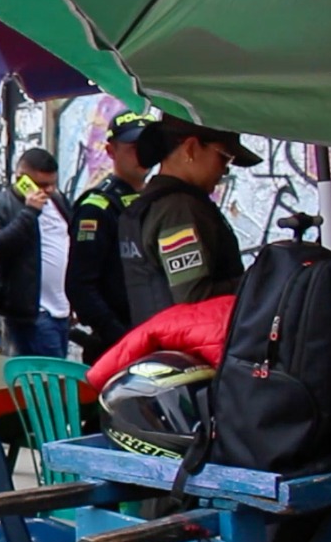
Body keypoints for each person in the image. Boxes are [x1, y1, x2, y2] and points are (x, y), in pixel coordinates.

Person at [120, 116, 257, 325]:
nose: (225, 170)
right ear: (190, 148)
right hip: (192, 347)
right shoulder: (178, 209)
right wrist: (256, 282)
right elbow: (194, 298)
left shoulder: (148, 204)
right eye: (224, 157)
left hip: (158, 343)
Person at [66, 112, 152, 362]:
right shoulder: (97, 207)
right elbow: (80, 286)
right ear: (111, 150)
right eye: (133, 147)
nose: (142, 155)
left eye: (147, 147)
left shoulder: (157, 201)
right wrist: (120, 335)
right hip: (117, 346)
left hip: (154, 336)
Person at [0, 147, 72, 358]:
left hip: (62, 308)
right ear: (21, 179)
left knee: (59, 374)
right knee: (50, 379)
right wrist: (30, 212)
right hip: (33, 312)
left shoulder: (58, 202)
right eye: (41, 185)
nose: (49, 190)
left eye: (53, 184)